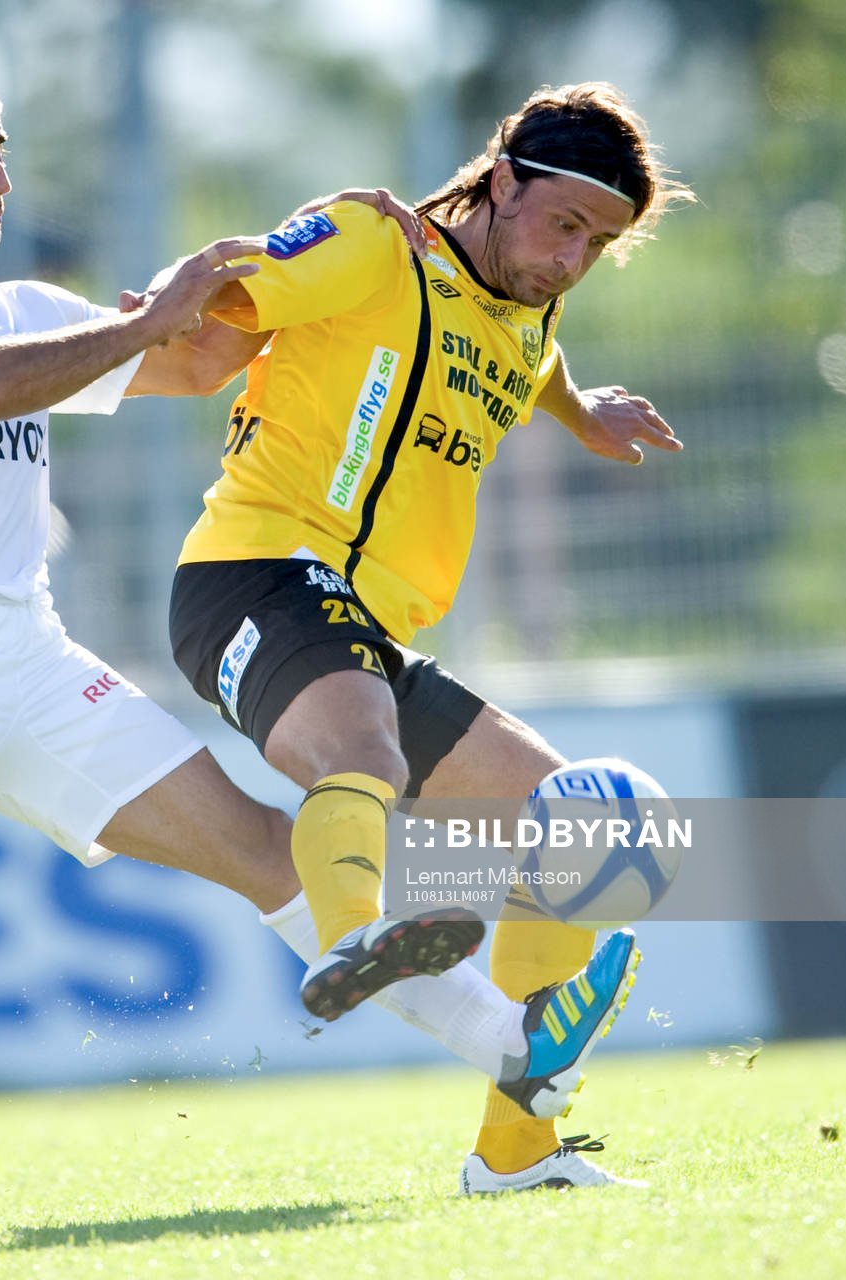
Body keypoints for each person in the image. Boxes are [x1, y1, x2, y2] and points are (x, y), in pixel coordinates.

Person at [0, 68, 641, 1240]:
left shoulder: (32, 309)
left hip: (32, 653)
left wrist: (342, 256)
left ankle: (517, 1057)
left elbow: (196, 360)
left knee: (265, 849)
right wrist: (156, 315)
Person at [169, 81, 691, 1193]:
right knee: (361, 745)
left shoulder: (527, 301)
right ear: (500, 180)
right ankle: (352, 934)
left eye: (599, 244)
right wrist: (174, 300)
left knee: (591, 823)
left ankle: (514, 1154)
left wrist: (584, 411)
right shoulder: (373, 242)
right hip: (251, 572)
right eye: (563, 223)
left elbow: (524, 356)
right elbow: (222, 299)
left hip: (366, 631)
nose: (571, 260)